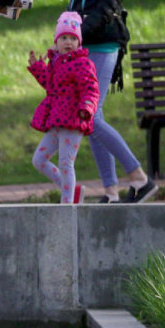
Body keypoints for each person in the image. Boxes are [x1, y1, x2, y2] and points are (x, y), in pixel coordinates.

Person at [68, 0, 156, 204]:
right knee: (94, 116)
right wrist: (68, 28)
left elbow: (109, 5)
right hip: (78, 43)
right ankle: (110, 190)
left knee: (89, 116)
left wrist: (77, 29)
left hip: (105, 43)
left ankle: (139, 178)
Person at [28, 11, 99, 204]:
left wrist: (87, 106)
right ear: (56, 41)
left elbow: (91, 89)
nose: (68, 42)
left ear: (79, 43)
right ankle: (72, 190)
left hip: (74, 120)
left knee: (66, 163)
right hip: (57, 121)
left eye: (73, 38)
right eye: (64, 37)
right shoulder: (56, 63)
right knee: (39, 160)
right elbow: (51, 85)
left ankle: (67, 203)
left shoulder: (82, 64)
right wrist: (38, 68)